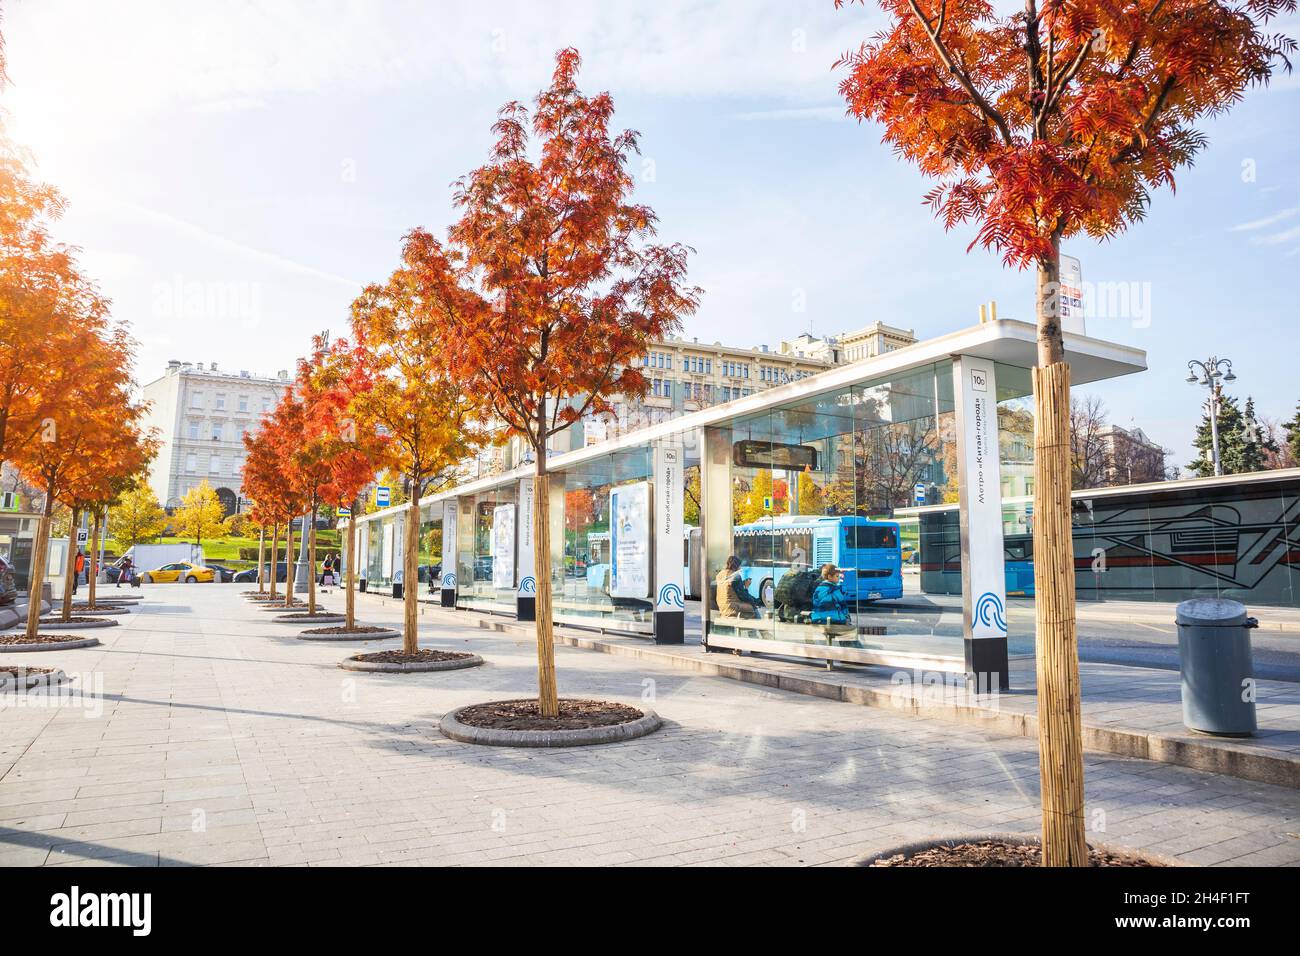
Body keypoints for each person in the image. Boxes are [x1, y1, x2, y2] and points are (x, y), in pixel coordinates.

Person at [715, 555, 759, 619]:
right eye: (740, 566)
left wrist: (742, 583)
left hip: (722, 606)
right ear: (737, 566)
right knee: (753, 607)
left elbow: (729, 588)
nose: (740, 568)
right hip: (732, 607)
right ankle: (757, 625)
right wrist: (746, 587)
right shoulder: (736, 576)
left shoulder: (720, 574)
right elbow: (744, 597)